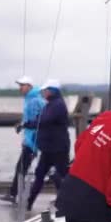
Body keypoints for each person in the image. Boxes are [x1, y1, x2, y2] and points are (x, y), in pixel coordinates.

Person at [23, 79, 70, 211]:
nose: (42, 93)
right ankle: (28, 203)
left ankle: (66, 202)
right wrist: (26, 124)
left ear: (52, 91)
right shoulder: (50, 104)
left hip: (58, 148)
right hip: (48, 148)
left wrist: (30, 123)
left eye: (44, 90)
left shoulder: (57, 105)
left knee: (62, 175)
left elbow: (44, 120)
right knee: (39, 175)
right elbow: (40, 120)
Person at [0, 76, 45, 204]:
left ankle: (14, 195)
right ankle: (14, 194)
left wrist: (25, 126)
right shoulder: (30, 99)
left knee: (22, 168)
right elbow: (30, 120)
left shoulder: (35, 100)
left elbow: (38, 121)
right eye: (19, 85)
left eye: (22, 85)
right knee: (23, 168)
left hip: (34, 141)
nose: (20, 88)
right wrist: (22, 125)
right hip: (30, 140)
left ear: (29, 86)